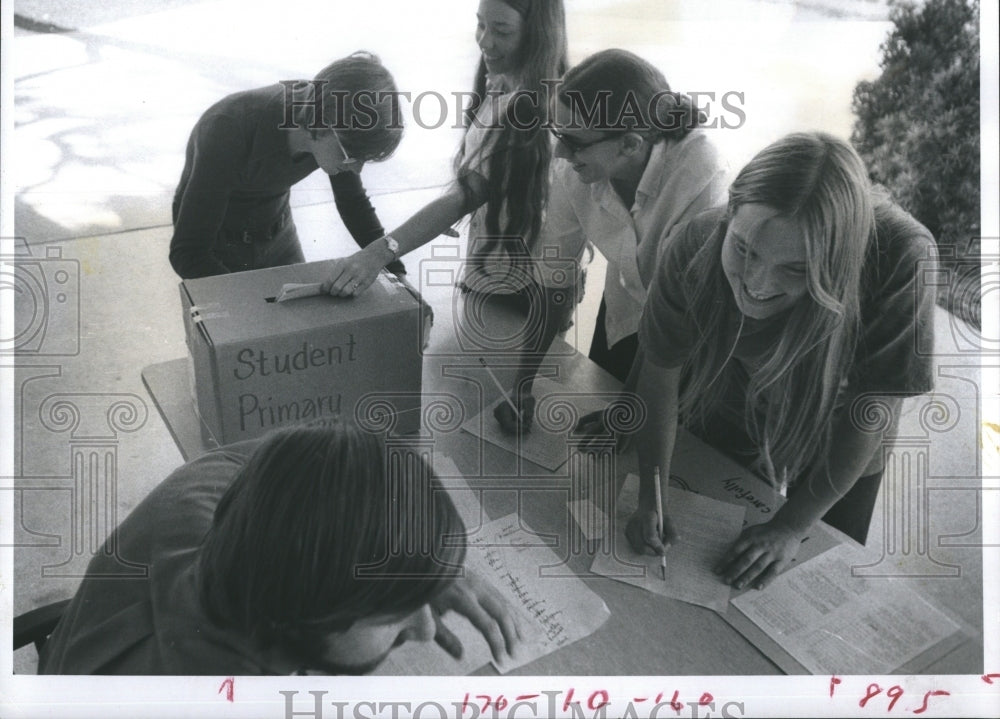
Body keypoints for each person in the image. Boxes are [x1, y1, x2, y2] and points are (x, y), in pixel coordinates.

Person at [614, 132, 937, 589]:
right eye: (744, 249)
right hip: (732, 386)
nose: (756, 284)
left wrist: (791, 526)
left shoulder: (905, 257)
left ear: (838, 262)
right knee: (716, 510)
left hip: (846, 420)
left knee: (819, 575)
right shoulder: (693, 242)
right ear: (729, 215)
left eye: (796, 269)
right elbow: (660, 373)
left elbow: (870, 414)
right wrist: (652, 496)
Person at [39, 422, 521, 675]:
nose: (424, 628)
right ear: (297, 617)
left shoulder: (198, 500)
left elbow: (311, 460)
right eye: (391, 616)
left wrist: (416, 563)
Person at [492, 49, 729, 433]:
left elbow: (671, 317)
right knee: (601, 423)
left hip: (691, 337)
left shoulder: (702, 176)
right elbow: (554, 281)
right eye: (557, 133)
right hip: (623, 312)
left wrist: (629, 412)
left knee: (670, 448)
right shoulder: (574, 168)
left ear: (631, 144)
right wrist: (520, 384)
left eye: (574, 141)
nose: (560, 152)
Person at [320, 0, 567, 299]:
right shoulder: (501, 85)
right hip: (493, 270)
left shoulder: (532, 108)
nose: (485, 40)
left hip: (525, 286)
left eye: (502, 31)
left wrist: (380, 252)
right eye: (480, 24)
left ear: (537, 34)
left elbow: (465, 195)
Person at [169, 51, 407, 280]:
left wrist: (396, 272)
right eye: (353, 156)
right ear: (322, 123)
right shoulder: (227, 127)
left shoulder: (333, 127)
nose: (356, 169)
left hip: (279, 233)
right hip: (217, 245)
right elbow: (189, 253)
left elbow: (353, 203)